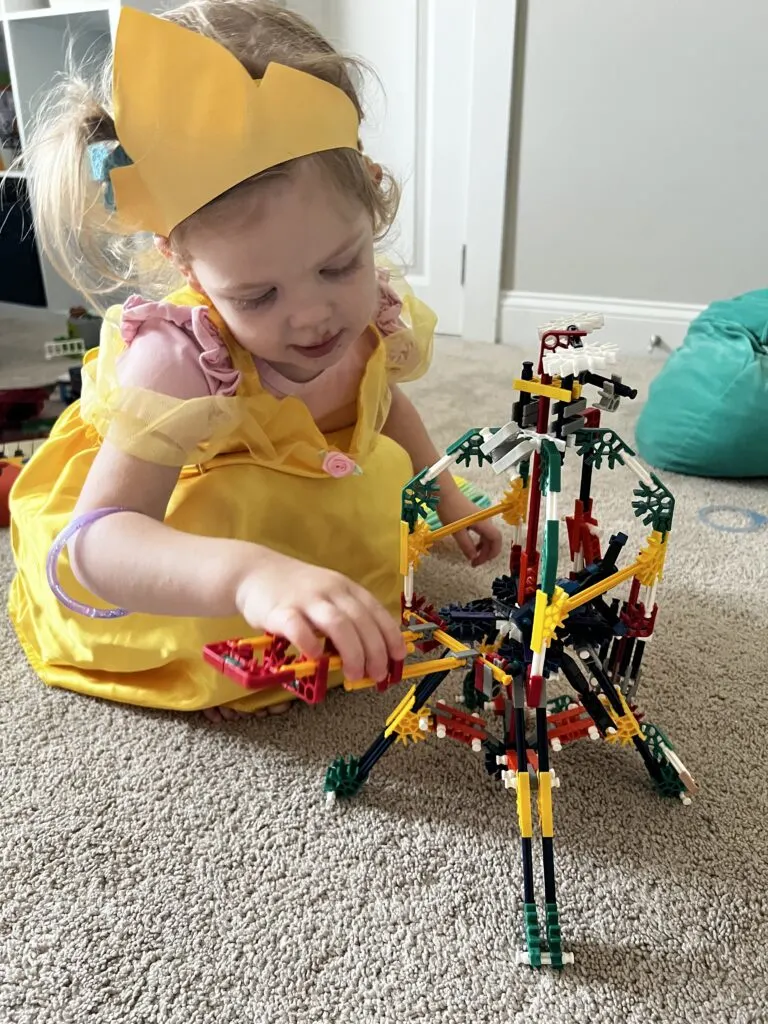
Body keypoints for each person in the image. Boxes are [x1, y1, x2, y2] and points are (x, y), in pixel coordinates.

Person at [8, 1, 501, 722]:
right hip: (194, 547)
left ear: (371, 199)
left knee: (371, 499)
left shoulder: (374, 313)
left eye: (340, 266)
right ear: (186, 264)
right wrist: (247, 576)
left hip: (315, 502)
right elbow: (98, 547)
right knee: (226, 535)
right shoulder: (178, 365)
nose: (312, 316)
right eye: (258, 294)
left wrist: (448, 498)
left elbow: (382, 405)